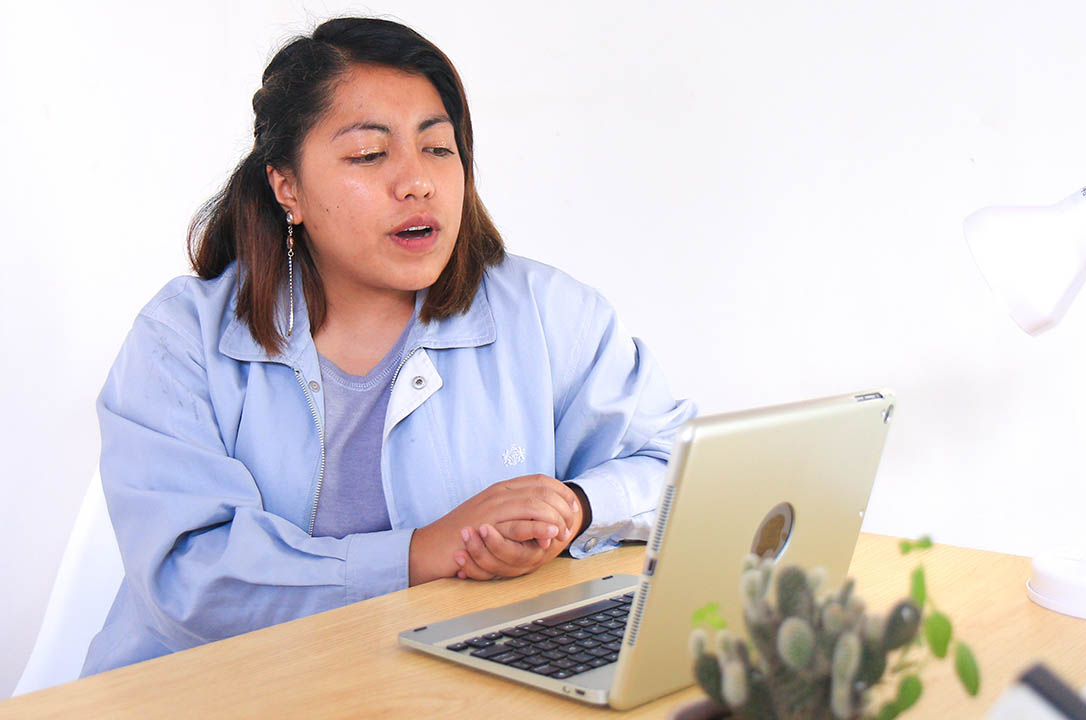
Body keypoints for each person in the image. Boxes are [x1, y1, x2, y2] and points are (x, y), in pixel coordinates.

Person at [82, 17, 695, 676]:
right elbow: (191, 577)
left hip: (445, 688)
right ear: (287, 186)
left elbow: (680, 467)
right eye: (370, 155)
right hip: (215, 691)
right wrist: (421, 553)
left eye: (438, 148)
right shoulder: (182, 338)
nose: (417, 182)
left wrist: (577, 508)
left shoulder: (547, 313)